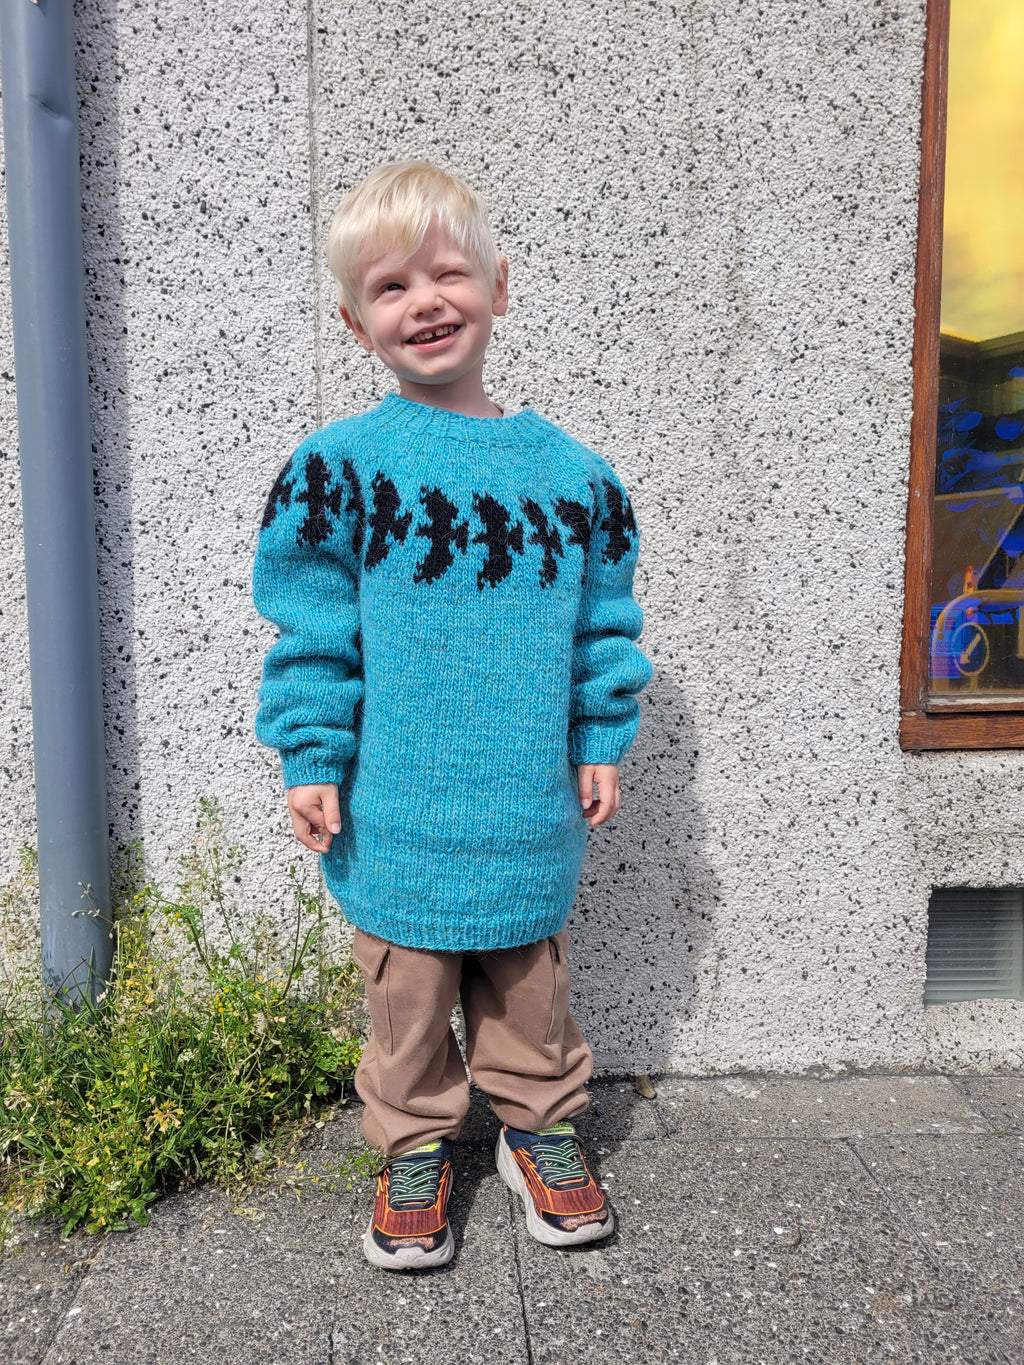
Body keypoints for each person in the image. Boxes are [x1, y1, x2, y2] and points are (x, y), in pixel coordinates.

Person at [252, 160, 652, 1270]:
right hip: (395, 809)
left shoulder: (576, 479)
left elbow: (601, 627)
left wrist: (600, 735)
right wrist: (310, 754)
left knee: (530, 993)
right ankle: (414, 1143)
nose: (422, 301)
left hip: (526, 805)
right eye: (389, 287)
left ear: (499, 285)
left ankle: (540, 1130)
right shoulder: (339, 470)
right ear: (354, 321)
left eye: (445, 274)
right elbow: (314, 632)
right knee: (408, 1005)